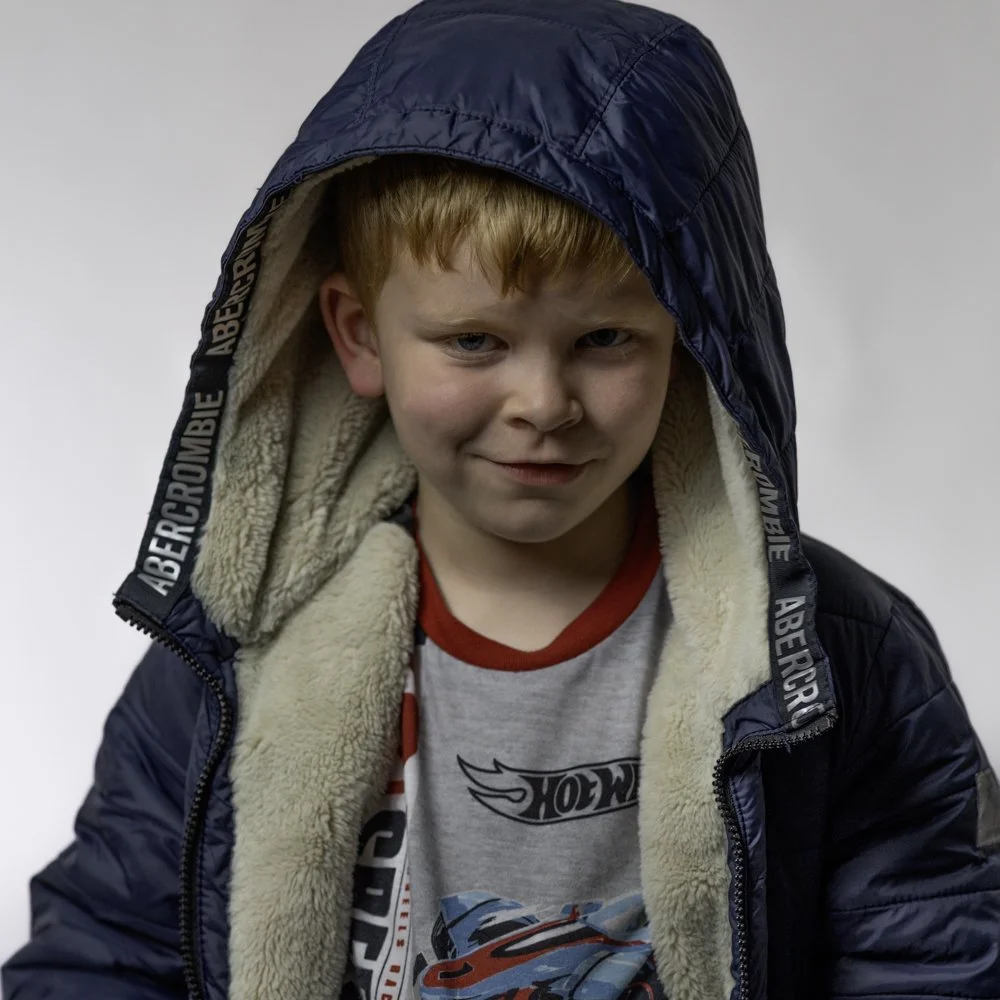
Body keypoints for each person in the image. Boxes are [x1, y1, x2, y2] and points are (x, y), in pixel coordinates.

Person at [4, 1, 999, 999]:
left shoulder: (833, 653)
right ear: (357, 336)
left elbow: (930, 961)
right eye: (474, 341)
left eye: (604, 339)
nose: (543, 405)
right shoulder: (237, 646)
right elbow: (107, 953)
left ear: (693, 341)